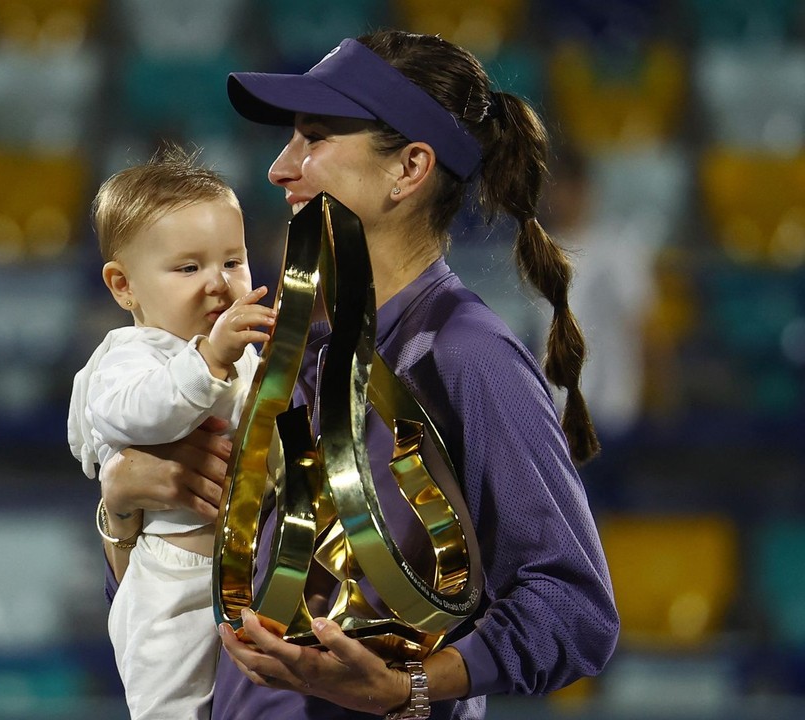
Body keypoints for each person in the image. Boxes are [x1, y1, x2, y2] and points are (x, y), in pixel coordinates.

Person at [99, 29, 619, 719]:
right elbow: (181, 616)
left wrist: (410, 687)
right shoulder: (285, 350)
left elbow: (575, 610)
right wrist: (123, 511)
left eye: (314, 138)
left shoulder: (465, 351)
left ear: (409, 168)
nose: (280, 169)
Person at [66, 144, 276, 720]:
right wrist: (209, 359)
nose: (218, 284)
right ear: (123, 286)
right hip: (171, 577)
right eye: (188, 268)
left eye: (233, 262)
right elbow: (137, 414)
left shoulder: (244, 351)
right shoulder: (130, 355)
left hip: (249, 570)